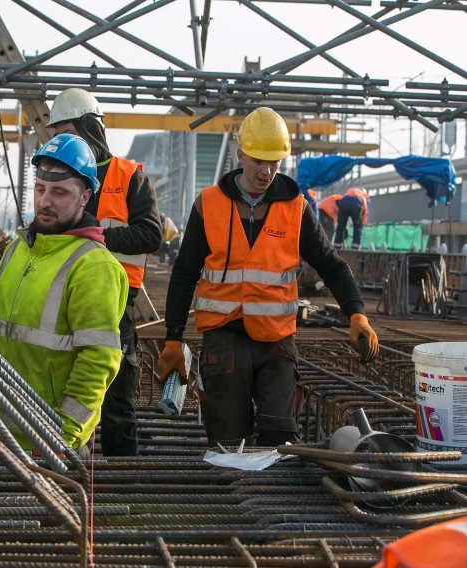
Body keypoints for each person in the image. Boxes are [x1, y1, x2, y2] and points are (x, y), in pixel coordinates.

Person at [157, 107, 380, 447]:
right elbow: (185, 272)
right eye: (259, 160)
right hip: (223, 337)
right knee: (228, 440)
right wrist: (173, 337)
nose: (267, 170)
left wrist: (356, 313)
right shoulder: (209, 204)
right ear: (241, 155)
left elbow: (331, 264)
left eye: (274, 161)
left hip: (276, 342)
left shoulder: (296, 209)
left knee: (280, 436)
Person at [0, 133, 128, 453]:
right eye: (40, 189)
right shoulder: (16, 250)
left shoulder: (94, 266)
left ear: (85, 197)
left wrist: (63, 433)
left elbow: (99, 359)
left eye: (60, 192)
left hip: (51, 441)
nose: (45, 201)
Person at [48, 88, 162, 456]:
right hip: (62, 295)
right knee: (64, 383)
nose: (61, 142)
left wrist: (98, 236)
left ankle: (120, 474)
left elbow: (151, 233)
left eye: (66, 131)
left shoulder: (130, 178)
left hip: (115, 301)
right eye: (56, 135)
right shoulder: (58, 177)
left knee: (117, 392)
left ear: (88, 127)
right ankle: (65, 456)